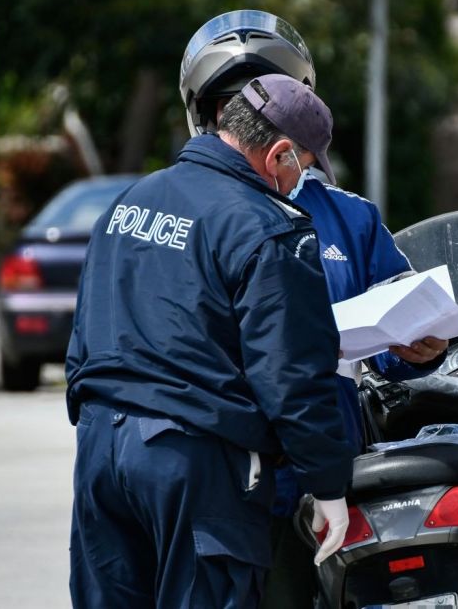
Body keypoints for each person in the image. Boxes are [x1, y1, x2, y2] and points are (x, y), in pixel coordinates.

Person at [179, 10, 448, 608]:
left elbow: (405, 324)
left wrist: (418, 348)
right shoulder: (190, 211)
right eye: (230, 106)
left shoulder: (351, 217)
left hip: (329, 468)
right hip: (226, 475)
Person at [66, 73, 357, 608]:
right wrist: (329, 484)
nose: (300, 186)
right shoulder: (267, 229)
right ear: (281, 155)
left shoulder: (131, 200)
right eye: (305, 170)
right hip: (193, 462)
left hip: (100, 449)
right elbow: (291, 375)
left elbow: (87, 325)